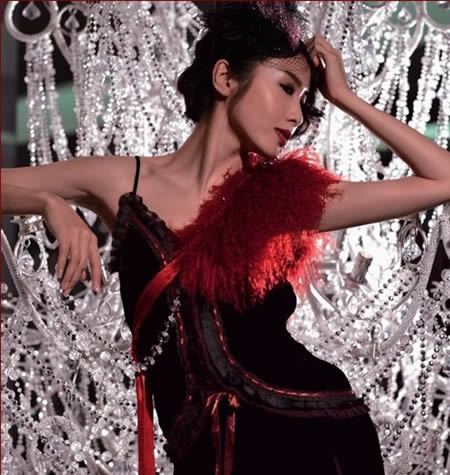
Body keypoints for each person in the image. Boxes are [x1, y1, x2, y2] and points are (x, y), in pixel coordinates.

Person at [2, 2, 449, 474]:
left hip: (314, 434)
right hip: (208, 452)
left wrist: (345, 97)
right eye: (286, 88)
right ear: (225, 78)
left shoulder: (284, 198)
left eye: (304, 100)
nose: (296, 115)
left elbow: (441, 179)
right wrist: (49, 203)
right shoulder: (121, 180)